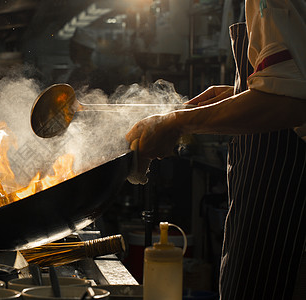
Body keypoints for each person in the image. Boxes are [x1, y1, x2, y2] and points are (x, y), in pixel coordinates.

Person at [125, 1, 306, 299]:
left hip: (292, 211)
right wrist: (234, 95)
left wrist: (176, 124)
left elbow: (290, 101)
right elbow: (291, 78)